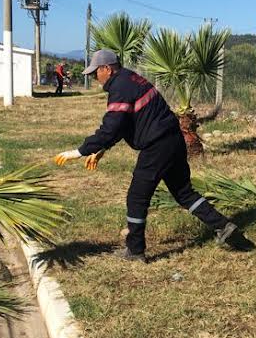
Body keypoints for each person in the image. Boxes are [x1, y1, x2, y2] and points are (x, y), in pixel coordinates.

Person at [54, 49, 238, 261]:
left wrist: (78, 151)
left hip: (157, 145)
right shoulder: (131, 78)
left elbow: (111, 127)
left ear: (107, 68)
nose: (95, 78)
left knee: (137, 197)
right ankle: (223, 226)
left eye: (96, 72)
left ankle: (135, 250)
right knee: (184, 193)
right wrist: (102, 150)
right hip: (173, 139)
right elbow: (126, 123)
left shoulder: (119, 86)